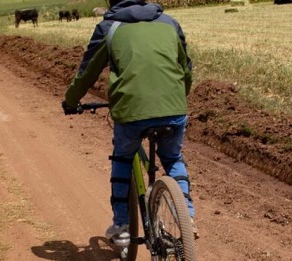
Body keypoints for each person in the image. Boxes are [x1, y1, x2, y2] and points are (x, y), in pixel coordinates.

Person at [62, 0, 196, 245]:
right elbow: (185, 68)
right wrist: (177, 98)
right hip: (174, 107)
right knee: (173, 158)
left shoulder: (109, 27)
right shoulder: (169, 22)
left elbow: (87, 73)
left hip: (131, 113)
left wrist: (71, 101)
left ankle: (122, 225)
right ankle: (185, 215)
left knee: (123, 158)